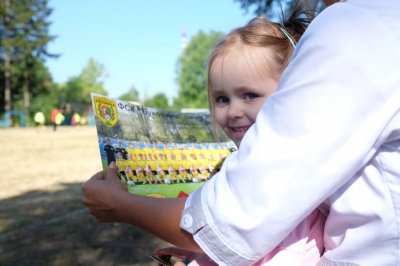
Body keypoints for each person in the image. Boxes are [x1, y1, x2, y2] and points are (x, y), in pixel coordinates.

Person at [82, 0, 400, 265]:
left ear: (290, 90)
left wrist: (121, 206)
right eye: (222, 98)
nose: (233, 110)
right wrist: (206, 253)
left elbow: (244, 227)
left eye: (249, 95)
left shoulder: (354, 26)